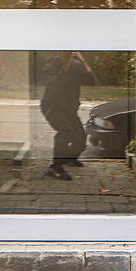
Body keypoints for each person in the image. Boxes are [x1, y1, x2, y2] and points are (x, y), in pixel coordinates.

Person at [39, 51, 94, 181]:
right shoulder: (50, 67)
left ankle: (69, 159)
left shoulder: (76, 65)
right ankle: (56, 167)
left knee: (80, 138)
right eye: (66, 54)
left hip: (69, 110)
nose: (68, 56)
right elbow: (56, 85)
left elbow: (91, 81)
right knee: (65, 131)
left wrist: (82, 60)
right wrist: (66, 64)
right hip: (52, 107)